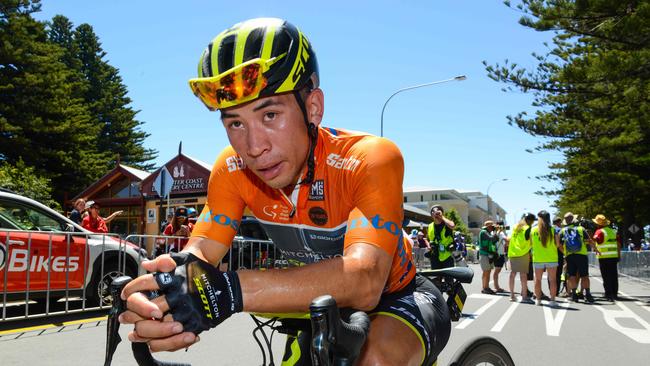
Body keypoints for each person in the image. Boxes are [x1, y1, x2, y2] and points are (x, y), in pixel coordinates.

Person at [119, 18, 450, 365]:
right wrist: (167, 289)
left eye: (271, 114)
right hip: (316, 304)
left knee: (375, 360)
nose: (253, 146)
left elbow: (366, 279)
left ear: (313, 108)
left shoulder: (369, 158)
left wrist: (230, 291)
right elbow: (202, 249)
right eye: (235, 123)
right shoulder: (232, 168)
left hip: (397, 296)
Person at [557, 212, 598, 303]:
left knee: (572, 276)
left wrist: (565, 252)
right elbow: (590, 241)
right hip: (581, 255)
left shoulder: (562, 231)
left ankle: (574, 294)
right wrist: (596, 249)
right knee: (584, 275)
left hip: (569, 256)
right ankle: (588, 294)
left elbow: (558, 244)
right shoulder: (581, 229)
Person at [531, 211, 559, 307]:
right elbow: (558, 244)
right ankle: (552, 300)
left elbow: (531, 243)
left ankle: (538, 300)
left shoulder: (533, 230)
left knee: (537, 280)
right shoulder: (553, 229)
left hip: (538, 258)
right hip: (551, 258)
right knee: (552, 280)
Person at [592, 214, 621, 301]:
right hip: (614, 256)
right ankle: (615, 293)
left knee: (606, 276)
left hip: (603, 257)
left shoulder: (599, 231)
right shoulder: (614, 231)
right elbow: (619, 244)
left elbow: (593, 240)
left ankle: (608, 294)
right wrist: (619, 255)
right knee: (613, 276)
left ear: (598, 224)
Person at [508, 213, 535, 303]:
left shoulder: (515, 227)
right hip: (523, 253)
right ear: (530, 221)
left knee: (512, 274)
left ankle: (512, 295)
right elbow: (531, 241)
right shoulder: (528, 228)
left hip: (512, 253)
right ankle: (524, 296)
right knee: (523, 275)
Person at [427, 205, 456, 269]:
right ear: (431, 215)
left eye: (438, 211)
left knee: (449, 278)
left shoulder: (447, 224)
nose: (436, 214)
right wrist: (429, 246)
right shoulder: (430, 226)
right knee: (435, 278)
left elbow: (452, 226)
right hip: (435, 256)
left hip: (447, 256)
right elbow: (428, 239)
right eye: (434, 212)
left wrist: (442, 217)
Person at [478, 220, 499, 294]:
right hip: (484, 255)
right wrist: (496, 231)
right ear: (489, 226)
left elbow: (495, 240)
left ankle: (486, 287)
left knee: (488, 272)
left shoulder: (488, 233)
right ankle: (485, 288)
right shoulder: (483, 232)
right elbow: (492, 238)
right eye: (492, 226)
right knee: (486, 272)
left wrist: (496, 232)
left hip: (488, 255)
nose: (493, 228)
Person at [552, 217, 567, 297]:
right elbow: (560, 244)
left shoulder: (549, 229)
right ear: (558, 222)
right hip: (558, 254)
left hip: (549, 254)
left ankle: (551, 291)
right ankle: (556, 291)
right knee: (558, 274)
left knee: (551, 275)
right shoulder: (560, 230)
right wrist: (565, 253)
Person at [493, 223, 509, 292]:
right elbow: (506, 239)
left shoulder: (493, 233)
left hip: (496, 254)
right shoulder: (501, 233)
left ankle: (496, 286)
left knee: (496, 271)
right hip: (499, 254)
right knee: (497, 271)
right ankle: (497, 287)